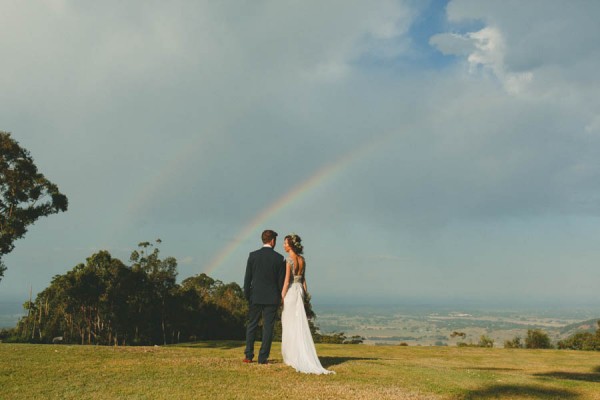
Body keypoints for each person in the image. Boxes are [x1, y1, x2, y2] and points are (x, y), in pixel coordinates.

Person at [281, 233, 334, 374]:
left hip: (292, 292)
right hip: (300, 292)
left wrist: (281, 297)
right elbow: (304, 280)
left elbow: (287, 281)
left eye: (285, 243)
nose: (284, 245)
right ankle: (299, 354)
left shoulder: (289, 260)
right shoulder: (302, 260)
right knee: (299, 323)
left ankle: (292, 357)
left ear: (291, 245)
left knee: (290, 323)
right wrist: (306, 297)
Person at [243, 229, 286, 364]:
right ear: (272, 241)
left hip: (255, 296)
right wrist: (280, 297)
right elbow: (280, 282)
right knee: (268, 328)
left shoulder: (253, 256)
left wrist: (247, 296)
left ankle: (248, 356)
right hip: (272, 298)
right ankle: (263, 358)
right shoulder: (279, 258)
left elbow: (247, 279)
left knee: (252, 325)